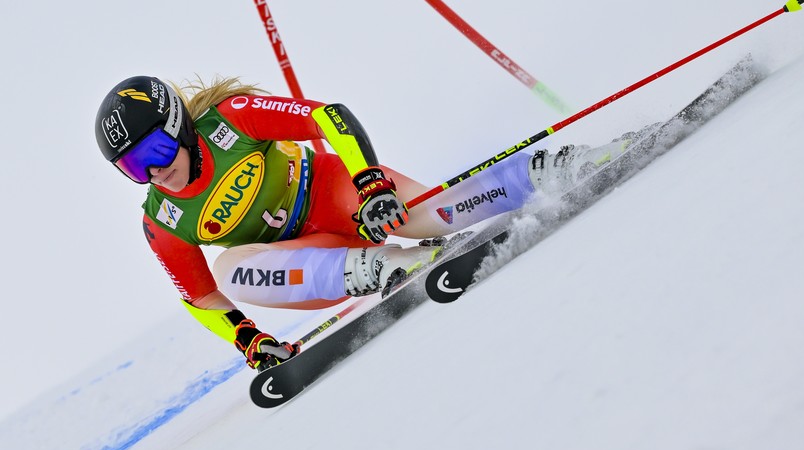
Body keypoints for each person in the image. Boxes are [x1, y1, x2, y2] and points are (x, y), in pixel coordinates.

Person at [95, 76, 635, 371]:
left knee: (427, 215)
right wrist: (249, 340)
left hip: (334, 191)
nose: (157, 170)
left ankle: (553, 169)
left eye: (159, 149)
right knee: (232, 268)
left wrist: (369, 181)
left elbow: (328, 115)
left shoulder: (232, 119)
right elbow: (200, 295)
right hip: (313, 258)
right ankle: (395, 267)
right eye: (134, 167)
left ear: (182, 128)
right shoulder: (162, 222)